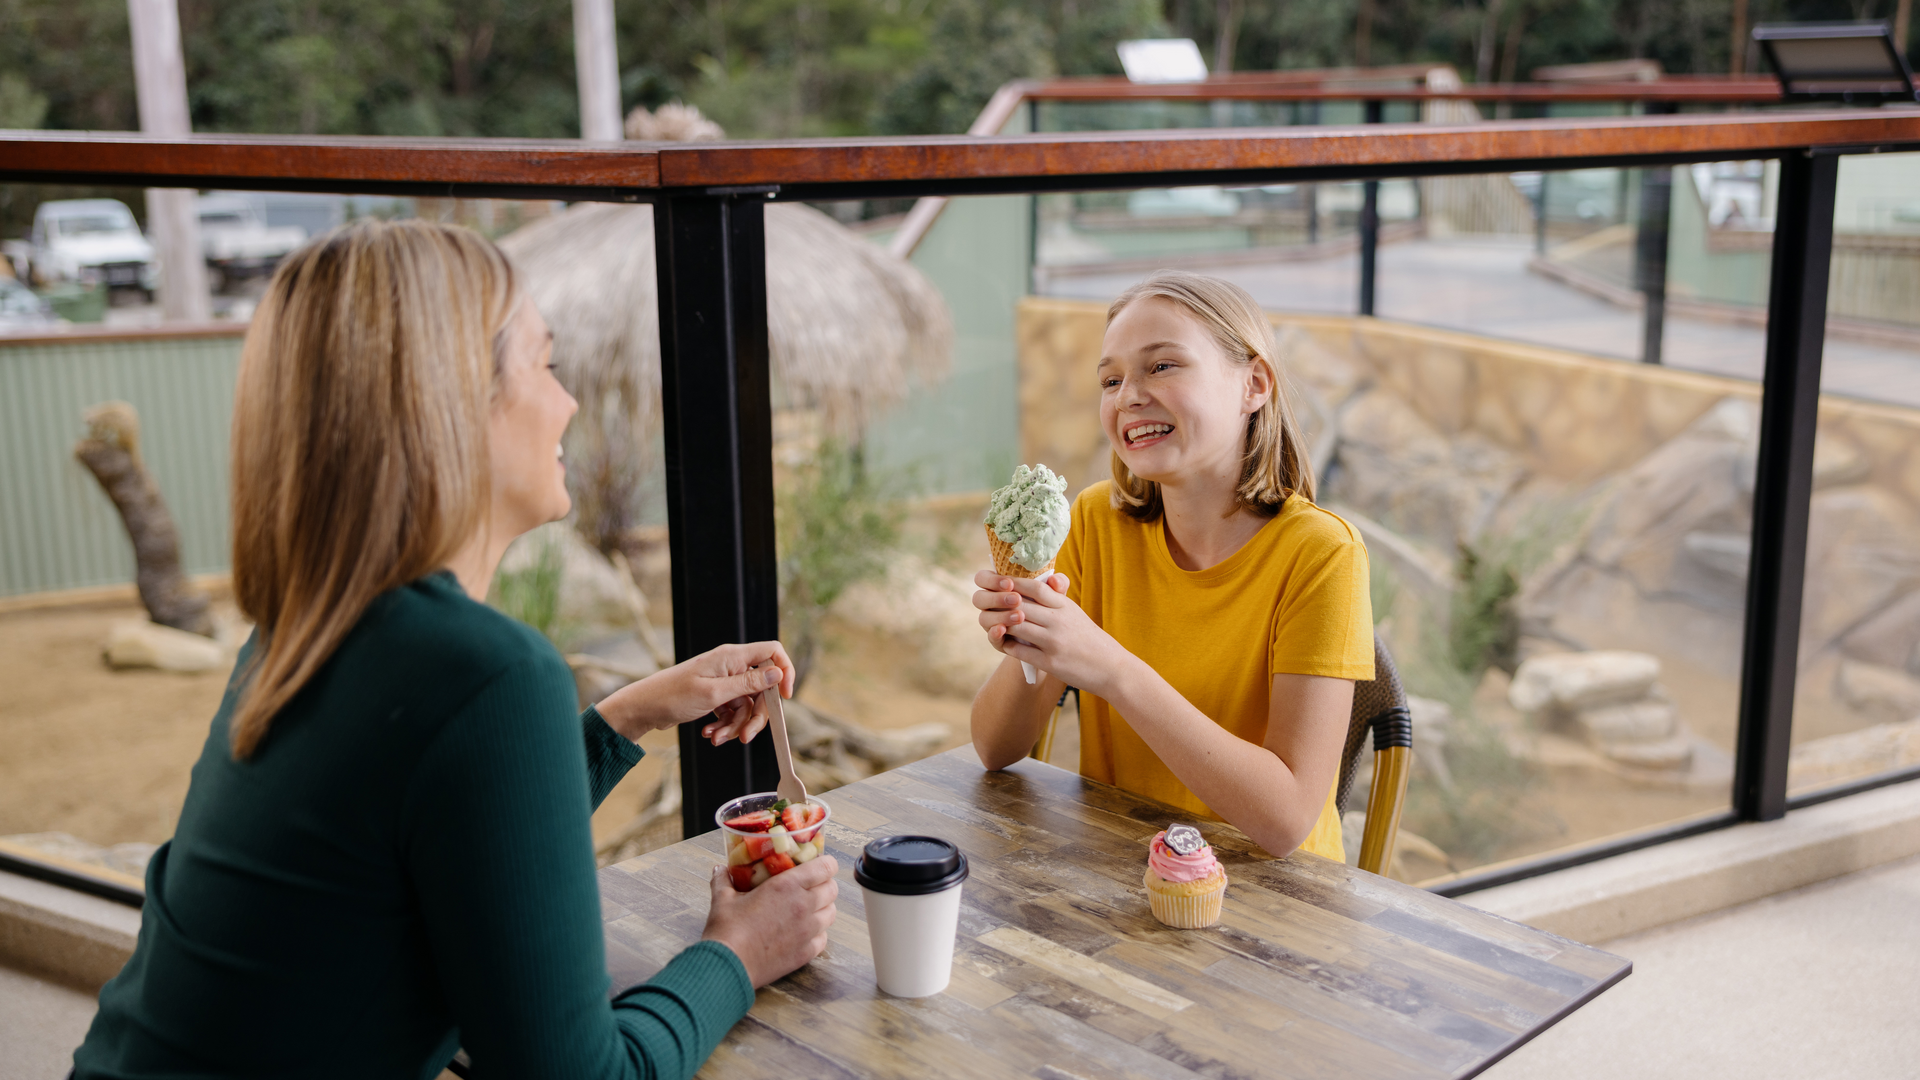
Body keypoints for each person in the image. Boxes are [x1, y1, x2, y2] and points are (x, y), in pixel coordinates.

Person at [71, 220, 836, 1080]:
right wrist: (735, 954)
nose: (568, 401)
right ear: (455, 402)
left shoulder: (303, 628)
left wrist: (628, 716)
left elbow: (435, 842)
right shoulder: (488, 676)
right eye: (544, 365)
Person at [969, 270, 1373, 862]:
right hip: (1127, 867)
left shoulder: (1322, 555)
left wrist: (1112, 670)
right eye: (1110, 379)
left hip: (1277, 903)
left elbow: (1285, 820)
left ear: (1253, 384)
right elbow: (993, 747)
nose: (1129, 393)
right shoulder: (1093, 522)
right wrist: (1025, 636)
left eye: (1162, 366)